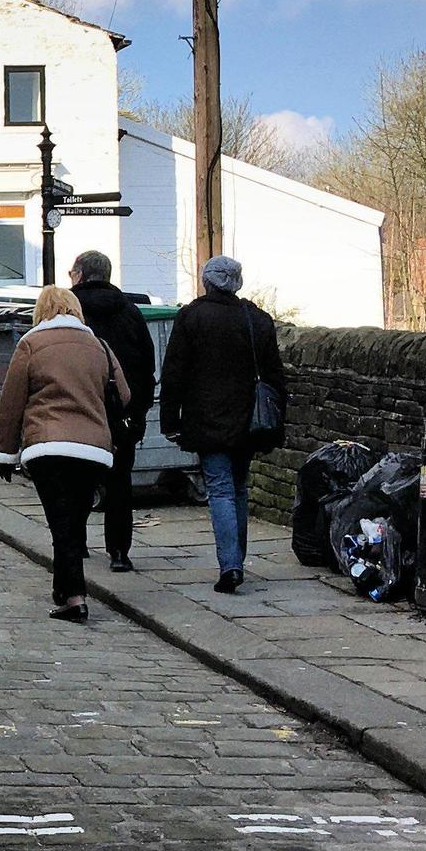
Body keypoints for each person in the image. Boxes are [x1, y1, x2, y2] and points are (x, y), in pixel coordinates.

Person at [0, 288, 130, 623]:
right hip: (93, 449)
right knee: (73, 521)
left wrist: (5, 453)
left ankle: (75, 597)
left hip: (48, 446)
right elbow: (123, 395)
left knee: (60, 522)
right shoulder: (99, 346)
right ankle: (64, 589)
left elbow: (11, 404)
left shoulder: (31, 344)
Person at [158, 254, 287, 595]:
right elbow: (275, 376)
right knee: (238, 487)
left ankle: (230, 565)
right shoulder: (257, 319)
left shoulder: (192, 316)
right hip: (248, 420)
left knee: (219, 489)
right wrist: (277, 420)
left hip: (207, 418)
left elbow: (174, 372)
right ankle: (236, 560)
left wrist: (170, 420)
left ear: (208, 281)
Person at [68, 249, 157, 574]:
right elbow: (147, 365)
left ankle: (76, 543)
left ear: (79, 275)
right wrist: (138, 410)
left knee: (76, 480)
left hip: (78, 409)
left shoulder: (71, 314)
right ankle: (119, 551)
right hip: (122, 412)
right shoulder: (130, 312)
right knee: (120, 484)